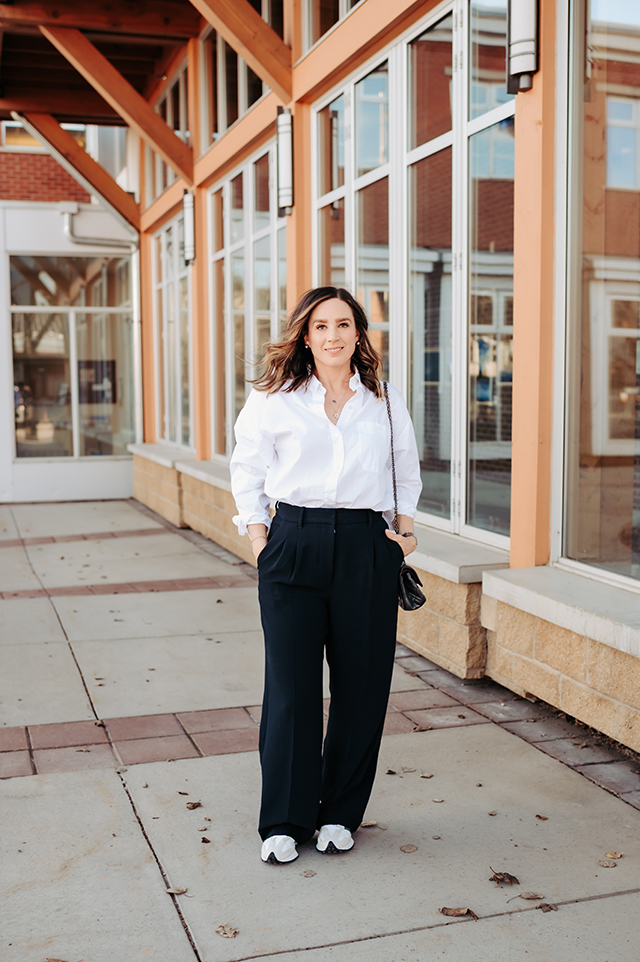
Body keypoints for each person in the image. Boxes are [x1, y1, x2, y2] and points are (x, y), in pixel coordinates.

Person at [230, 286, 421, 864]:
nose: (333, 335)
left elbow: (404, 471)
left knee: (362, 688)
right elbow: (247, 470)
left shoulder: (383, 401)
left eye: (343, 324)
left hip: (366, 546)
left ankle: (340, 813)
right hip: (294, 543)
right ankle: (284, 821)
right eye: (320, 326)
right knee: (291, 689)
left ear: (359, 334)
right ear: (304, 337)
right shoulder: (274, 398)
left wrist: (404, 535)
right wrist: (261, 540)